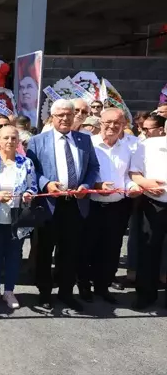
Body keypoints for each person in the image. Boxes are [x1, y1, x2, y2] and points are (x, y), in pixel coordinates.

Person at [26, 98, 100, 312]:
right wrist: (46, 183)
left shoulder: (84, 140)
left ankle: (66, 292)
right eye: (61, 115)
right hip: (49, 204)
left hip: (75, 204)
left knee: (70, 251)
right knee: (44, 250)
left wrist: (86, 185)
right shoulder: (38, 141)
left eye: (69, 114)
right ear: (53, 117)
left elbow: (93, 167)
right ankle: (45, 293)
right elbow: (33, 170)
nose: (66, 118)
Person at [76, 108, 141, 305]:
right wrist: (96, 186)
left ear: (123, 126)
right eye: (108, 122)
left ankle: (102, 287)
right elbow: (82, 173)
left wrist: (132, 187)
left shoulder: (130, 147)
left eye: (117, 123)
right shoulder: (89, 144)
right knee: (87, 247)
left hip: (118, 207)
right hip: (92, 205)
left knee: (111, 249)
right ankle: (84, 286)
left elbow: (127, 176)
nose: (112, 126)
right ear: (100, 123)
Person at [0, 126, 37, 309]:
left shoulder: (26, 163)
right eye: (6, 138)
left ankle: (9, 291)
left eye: (14, 138)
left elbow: (33, 187)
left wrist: (28, 194)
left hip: (17, 217)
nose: (10, 142)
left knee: (14, 255)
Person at [129, 118, 167, 309]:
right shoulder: (147, 145)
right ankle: (145, 294)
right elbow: (134, 173)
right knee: (149, 250)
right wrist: (146, 184)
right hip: (154, 204)